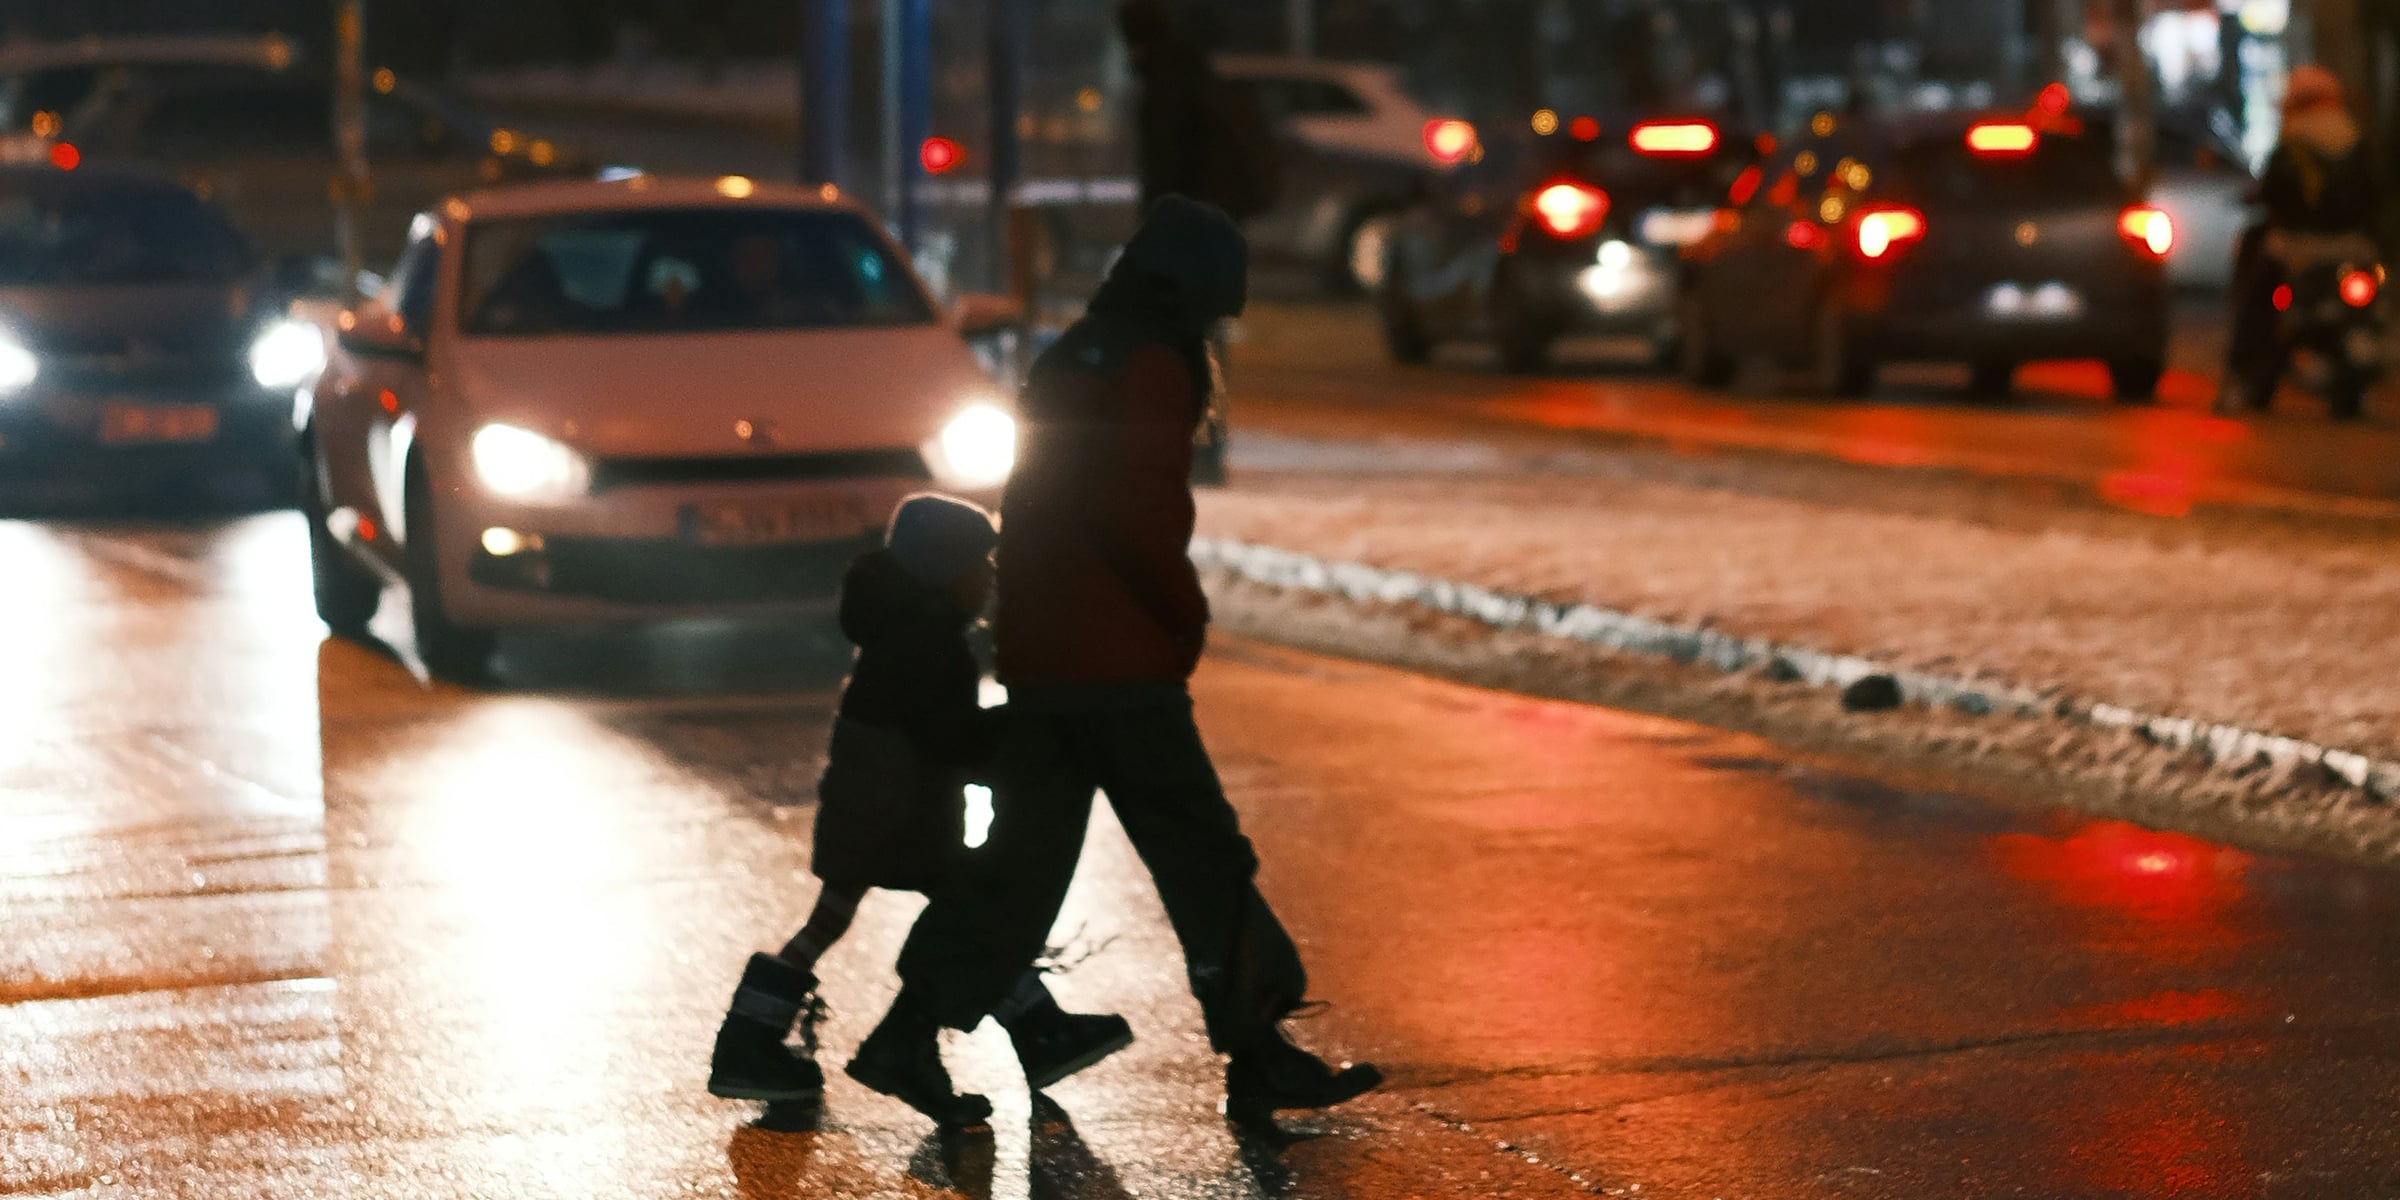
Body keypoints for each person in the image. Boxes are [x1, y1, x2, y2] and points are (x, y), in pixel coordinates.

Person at [856, 197, 1382, 1127]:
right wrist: (1182, 620)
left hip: (1048, 653)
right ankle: (1258, 1051)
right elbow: (1137, 517)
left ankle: (906, 1034)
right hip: (1117, 663)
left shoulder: (1080, 352)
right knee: (1202, 855)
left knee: (1019, 867)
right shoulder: (1151, 364)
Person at [706, 494, 1131, 1127]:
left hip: (872, 809)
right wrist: (1022, 728)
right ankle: (1024, 1031)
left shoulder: (898, 632)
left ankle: (752, 1039)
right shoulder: (930, 647)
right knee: (972, 915)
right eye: (977, 565)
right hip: (899, 817)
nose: (989, 578)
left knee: (834, 923)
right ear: (942, 573)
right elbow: (949, 739)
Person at [2222, 64, 2382, 407]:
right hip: (2355, 247)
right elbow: (2375, 196)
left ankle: (2242, 371)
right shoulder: (2356, 141)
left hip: (2296, 248)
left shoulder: (2294, 143)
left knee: (2256, 302)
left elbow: (2273, 192)